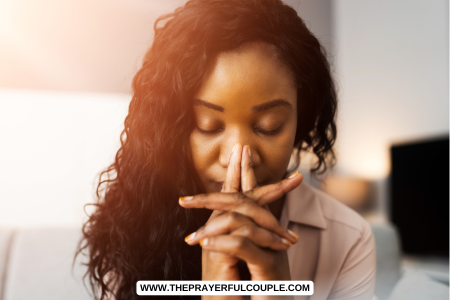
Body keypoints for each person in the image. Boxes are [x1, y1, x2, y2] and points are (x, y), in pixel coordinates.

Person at [74, 0, 376, 299]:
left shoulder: (348, 239)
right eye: (208, 125)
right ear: (172, 129)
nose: (237, 156)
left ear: (301, 120)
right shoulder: (131, 225)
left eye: (269, 126)